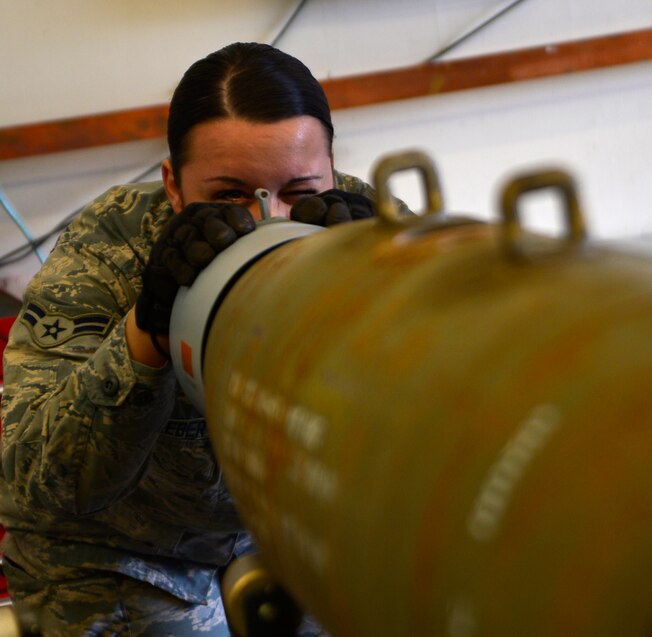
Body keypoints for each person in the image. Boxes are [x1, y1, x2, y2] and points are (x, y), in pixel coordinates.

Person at [0, 42, 405, 636]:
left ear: (331, 167)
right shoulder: (108, 250)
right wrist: (147, 329)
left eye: (300, 190)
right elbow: (37, 481)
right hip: (123, 549)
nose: (270, 220)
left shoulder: (370, 226)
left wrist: (385, 299)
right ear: (172, 185)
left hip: (288, 534)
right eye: (229, 195)